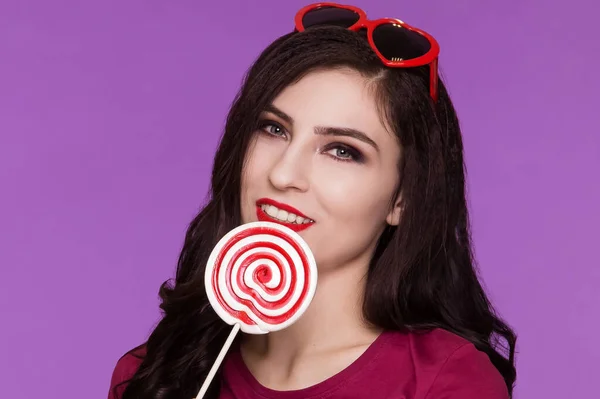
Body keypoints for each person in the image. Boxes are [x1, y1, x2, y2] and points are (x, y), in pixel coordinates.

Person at [108, 3, 517, 399]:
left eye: (342, 150)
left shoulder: (447, 384)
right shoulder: (154, 375)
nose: (283, 174)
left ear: (402, 200)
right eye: (273, 129)